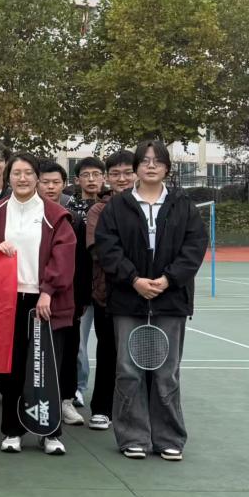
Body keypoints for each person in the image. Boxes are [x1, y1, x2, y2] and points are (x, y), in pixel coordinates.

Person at [95, 140, 207, 461]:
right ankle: (133, 437)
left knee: (166, 371)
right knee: (127, 370)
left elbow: (194, 247)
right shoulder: (117, 206)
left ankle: (169, 437)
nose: (151, 165)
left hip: (171, 301)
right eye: (144, 161)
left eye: (157, 161)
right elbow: (108, 248)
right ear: (136, 168)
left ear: (167, 168)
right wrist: (134, 280)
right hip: (128, 300)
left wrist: (168, 280)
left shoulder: (183, 205)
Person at [0, 152, 76, 456]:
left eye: (28, 173)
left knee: (47, 369)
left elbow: (63, 256)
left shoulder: (55, 214)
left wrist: (48, 291)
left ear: (37, 177)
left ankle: (50, 433)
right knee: (12, 370)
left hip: (44, 302)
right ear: (9, 177)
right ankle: (12, 430)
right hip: (7, 301)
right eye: (16, 173)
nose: (22, 178)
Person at [84, 150, 134, 432]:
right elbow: (99, 251)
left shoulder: (150, 207)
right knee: (108, 352)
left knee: (136, 356)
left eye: (127, 173)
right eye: (115, 174)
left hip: (143, 296)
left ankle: (133, 409)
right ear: (108, 178)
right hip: (108, 293)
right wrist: (134, 274)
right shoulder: (98, 211)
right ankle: (102, 408)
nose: (122, 179)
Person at [60, 156, 105, 426]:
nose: (91, 179)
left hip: (106, 286)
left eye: (96, 174)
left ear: (103, 177)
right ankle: (77, 387)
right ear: (77, 180)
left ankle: (104, 398)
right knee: (78, 344)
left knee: (109, 347)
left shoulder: (112, 206)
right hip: (80, 287)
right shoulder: (69, 210)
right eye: (86, 175)